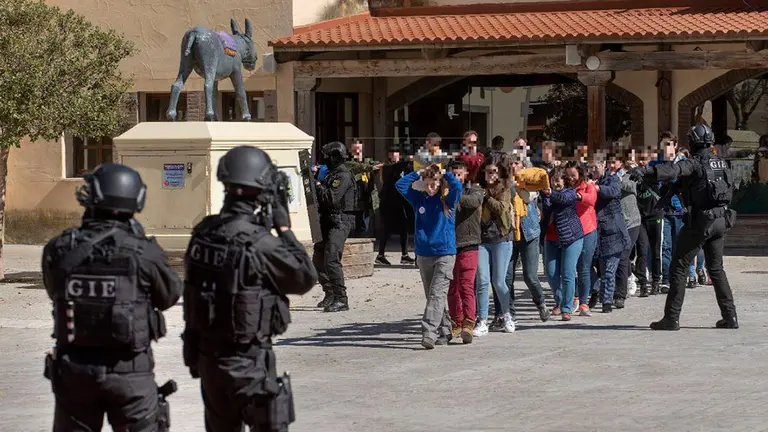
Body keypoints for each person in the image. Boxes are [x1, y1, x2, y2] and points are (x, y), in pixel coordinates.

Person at [182, 145, 317, 432]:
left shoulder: (203, 234)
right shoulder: (259, 243)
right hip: (248, 363)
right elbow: (305, 277)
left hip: (208, 360)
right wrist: (283, 229)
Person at [42, 163, 183, 432]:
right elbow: (170, 295)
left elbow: (53, 290)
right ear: (136, 201)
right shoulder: (144, 252)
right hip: (131, 372)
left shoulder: (60, 249)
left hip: (75, 370)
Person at [636, 124, 739, 330]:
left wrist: (647, 170)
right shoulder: (720, 162)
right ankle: (730, 316)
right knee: (716, 268)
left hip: (701, 221)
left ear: (693, 143)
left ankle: (671, 318)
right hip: (721, 220)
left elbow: (675, 169)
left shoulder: (695, 162)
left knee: (679, 266)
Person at [396, 163, 462, 349]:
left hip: (445, 253)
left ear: (440, 183)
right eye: (428, 182)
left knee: (437, 294)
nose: (432, 186)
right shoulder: (418, 199)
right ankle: (446, 328)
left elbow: (458, 186)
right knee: (432, 296)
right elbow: (400, 185)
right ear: (423, 183)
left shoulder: (448, 200)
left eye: (435, 182)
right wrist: (418, 172)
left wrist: (445, 173)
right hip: (424, 253)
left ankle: (428, 332)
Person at [505, 153, 551, 322]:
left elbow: (530, 195)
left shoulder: (529, 180)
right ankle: (510, 312)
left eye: (517, 162)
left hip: (529, 231)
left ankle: (541, 303)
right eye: (511, 163)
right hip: (509, 233)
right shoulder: (503, 181)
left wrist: (515, 185)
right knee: (507, 277)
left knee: (530, 276)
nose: (513, 166)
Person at [313, 142, 357, 312]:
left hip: (340, 220)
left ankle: (341, 298)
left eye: (328, 156)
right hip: (328, 219)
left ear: (335, 157)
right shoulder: (332, 174)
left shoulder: (343, 176)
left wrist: (318, 185)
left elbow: (331, 198)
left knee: (331, 257)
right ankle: (330, 292)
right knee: (318, 257)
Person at [475, 154, 516, 335]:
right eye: (488, 171)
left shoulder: (505, 188)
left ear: (499, 173)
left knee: (499, 281)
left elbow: (500, 208)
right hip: (482, 240)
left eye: (494, 172)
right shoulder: (477, 189)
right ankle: (482, 320)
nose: (490, 175)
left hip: (502, 238)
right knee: (482, 281)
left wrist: (485, 197)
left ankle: (507, 315)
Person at [445, 159, 484, 343]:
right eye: (453, 174)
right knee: (452, 287)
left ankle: (469, 322)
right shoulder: (443, 194)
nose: (457, 177)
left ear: (466, 175)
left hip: (470, 243)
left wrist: (453, 192)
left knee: (466, 285)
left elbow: (473, 202)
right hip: (449, 246)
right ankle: (456, 321)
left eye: (460, 174)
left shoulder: (475, 191)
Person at [542, 166, 584, 321]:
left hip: (572, 237)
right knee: (552, 274)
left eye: (557, 180)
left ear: (565, 181)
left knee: (567, 274)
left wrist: (549, 193)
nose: (555, 183)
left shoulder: (570, 193)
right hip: (551, 238)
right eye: (552, 180)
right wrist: (543, 193)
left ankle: (566, 308)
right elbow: (546, 206)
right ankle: (560, 300)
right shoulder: (548, 194)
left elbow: (562, 199)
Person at [593, 155, 632, 313]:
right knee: (601, 269)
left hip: (614, 231)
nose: (593, 170)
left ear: (603, 166)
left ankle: (607, 301)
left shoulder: (612, 179)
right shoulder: (590, 182)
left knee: (610, 270)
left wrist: (597, 189)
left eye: (596, 167)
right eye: (590, 168)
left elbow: (613, 191)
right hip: (598, 232)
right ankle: (601, 295)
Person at [565, 161, 598, 316]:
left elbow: (591, 200)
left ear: (580, 174)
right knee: (569, 269)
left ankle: (584, 302)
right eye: (568, 175)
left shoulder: (588, 186)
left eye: (573, 175)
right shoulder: (564, 187)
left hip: (587, 230)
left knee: (584, 268)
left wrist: (578, 196)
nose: (570, 178)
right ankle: (572, 298)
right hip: (569, 232)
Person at [376, 148, 416, 265]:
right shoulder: (387, 167)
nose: (394, 155)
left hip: (400, 202)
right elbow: (393, 171)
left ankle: (404, 255)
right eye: (392, 153)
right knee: (386, 228)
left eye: (396, 153)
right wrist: (407, 161)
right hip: (388, 202)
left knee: (404, 228)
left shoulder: (403, 167)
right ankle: (380, 255)